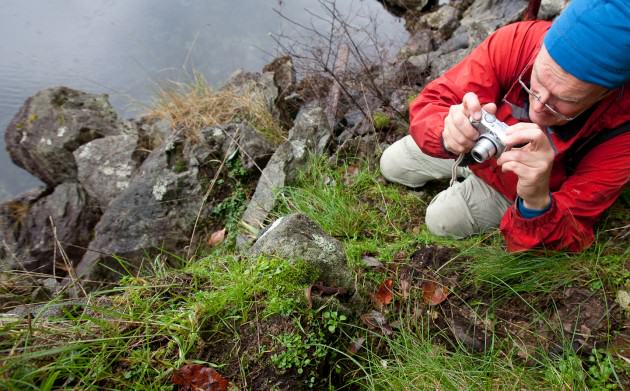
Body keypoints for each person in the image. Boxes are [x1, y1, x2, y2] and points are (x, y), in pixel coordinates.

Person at [380, 0, 630, 252]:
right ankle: (461, 165)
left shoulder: (621, 138)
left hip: (517, 189)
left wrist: (535, 200)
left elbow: (572, 227)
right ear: (543, 47)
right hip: (474, 147)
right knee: (391, 163)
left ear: (603, 93)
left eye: (563, 101)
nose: (539, 105)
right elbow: (437, 99)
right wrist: (448, 132)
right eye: (537, 81)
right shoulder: (520, 40)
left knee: (442, 219)